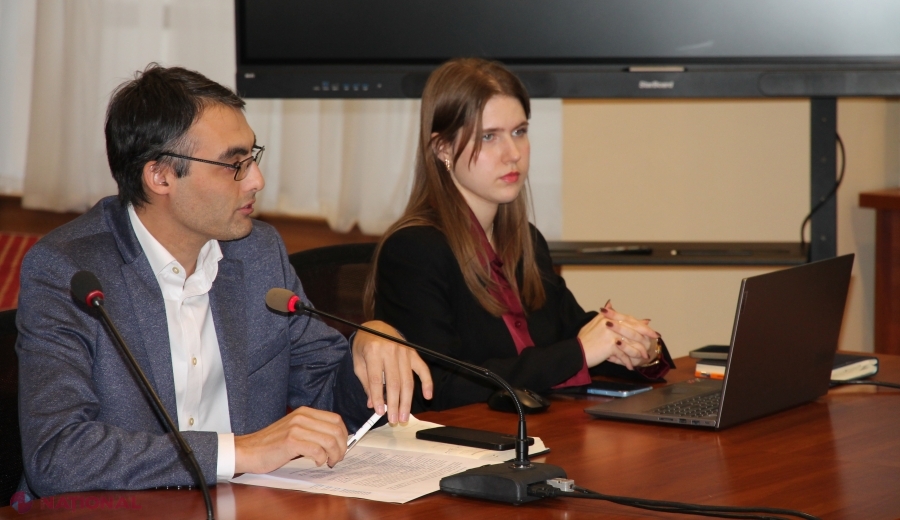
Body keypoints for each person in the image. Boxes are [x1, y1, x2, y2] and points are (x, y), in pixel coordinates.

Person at [15, 64, 432, 498]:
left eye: (253, 157)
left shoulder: (257, 252)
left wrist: (369, 350)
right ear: (160, 176)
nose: (256, 180)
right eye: (234, 164)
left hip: (242, 505)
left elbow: (327, 400)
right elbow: (57, 455)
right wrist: (239, 452)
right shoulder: (69, 270)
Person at [367, 58, 672, 411]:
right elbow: (438, 386)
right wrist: (579, 353)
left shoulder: (527, 242)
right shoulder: (414, 251)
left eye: (519, 132)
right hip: (462, 438)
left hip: (538, 429)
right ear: (443, 149)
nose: (513, 154)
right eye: (489, 136)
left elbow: (575, 335)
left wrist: (638, 346)